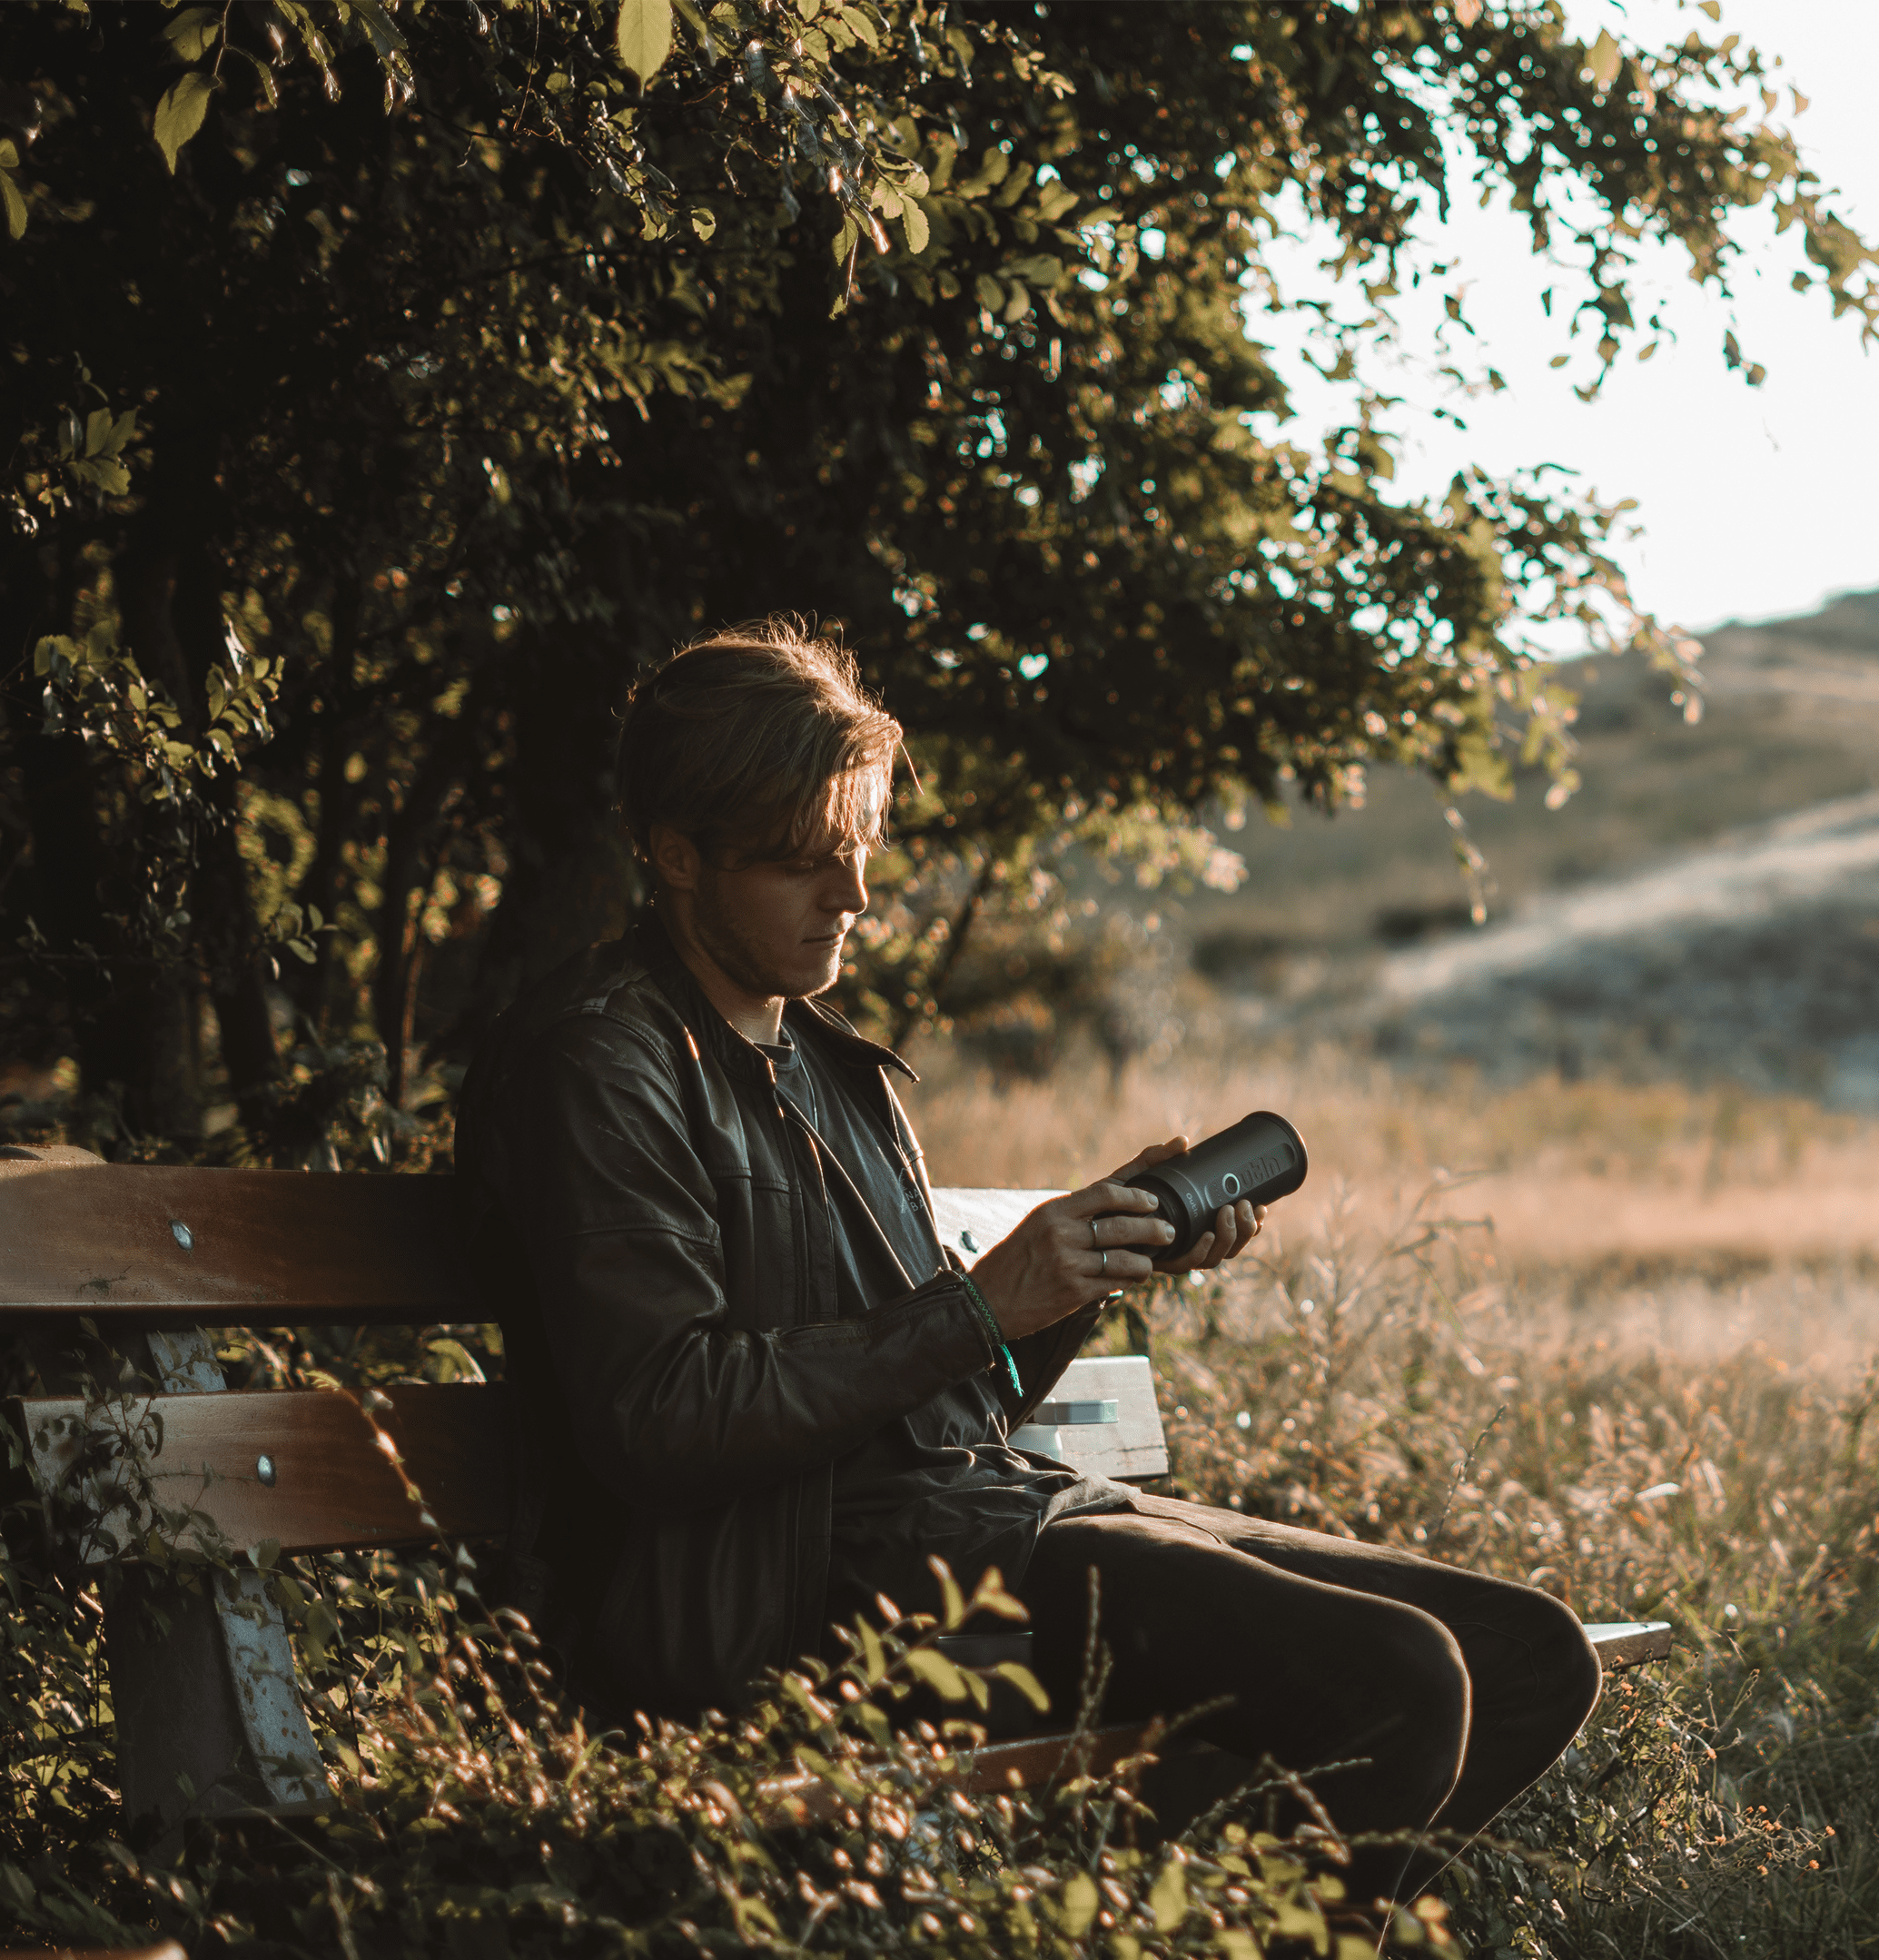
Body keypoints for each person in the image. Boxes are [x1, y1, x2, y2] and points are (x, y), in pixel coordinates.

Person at [459, 619, 1599, 1889]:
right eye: (799, 865)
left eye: (859, 853)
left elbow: (944, 1401)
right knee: (1398, 1678)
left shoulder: (839, 1071)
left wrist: (1078, 1273)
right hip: (791, 1594)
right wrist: (973, 1303)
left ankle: (1195, 1922)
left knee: (1528, 1650)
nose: (853, 898)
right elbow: (659, 1415)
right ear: (674, 855)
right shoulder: (603, 1064)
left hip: (979, 1514)